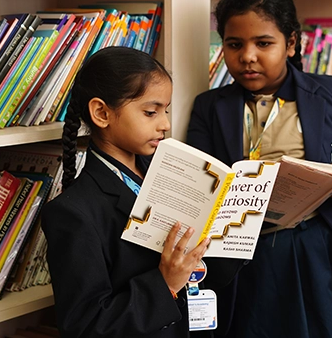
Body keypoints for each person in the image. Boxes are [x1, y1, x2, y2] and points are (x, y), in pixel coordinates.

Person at [186, 0, 332, 338]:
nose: (247, 57)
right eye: (234, 44)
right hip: (252, 262)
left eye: (263, 43)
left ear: (290, 43)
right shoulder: (210, 108)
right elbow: (200, 185)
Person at [42, 46, 211, 338]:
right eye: (150, 112)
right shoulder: (73, 213)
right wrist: (165, 284)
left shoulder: (169, 174)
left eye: (166, 111)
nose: (166, 124)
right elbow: (85, 326)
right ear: (102, 113)